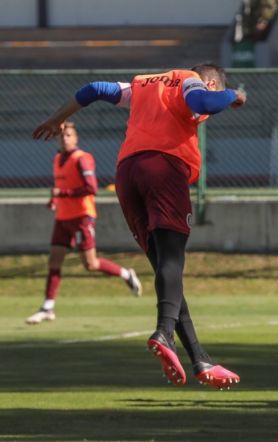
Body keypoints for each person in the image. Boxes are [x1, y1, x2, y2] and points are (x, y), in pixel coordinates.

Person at [33, 64, 246, 389]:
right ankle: (163, 333)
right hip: (163, 169)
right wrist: (235, 95)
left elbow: (94, 89)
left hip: (127, 174)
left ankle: (200, 358)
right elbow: (204, 103)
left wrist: (56, 118)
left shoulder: (143, 84)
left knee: (166, 270)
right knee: (172, 262)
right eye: (215, 87)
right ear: (211, 81)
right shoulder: (191, 82)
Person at [26, 122, 142, 325]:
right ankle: (48, 307)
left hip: (81, 217)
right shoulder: (57, 159)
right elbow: (60, 185)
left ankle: (126, 274)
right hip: (62, 218)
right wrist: (55, 200)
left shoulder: (82, 159)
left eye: (69, 135)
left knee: (91, 264)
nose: (65, 138)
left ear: (76, 138)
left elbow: (91, 188)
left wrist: (61, 194)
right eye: (61, 135)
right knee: (54, 261)